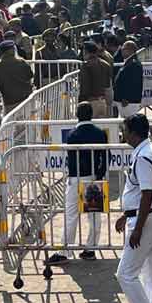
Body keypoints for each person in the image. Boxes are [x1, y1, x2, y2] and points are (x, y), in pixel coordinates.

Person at [115, 114, 152, 303]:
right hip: (150, 215)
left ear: (134, 133)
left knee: (125, 274)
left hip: (145, 218)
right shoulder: (149, 151)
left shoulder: (144, 156)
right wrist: (127, 214)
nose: (122, 134)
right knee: (151, 273)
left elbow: (146, 194)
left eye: (125, 130)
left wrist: (137, 228)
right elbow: (141, 193)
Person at [47, 102, 109, 265]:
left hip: (76, 179)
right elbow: (105, 157)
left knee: (71, 215)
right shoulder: (100, 134)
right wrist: (99, 175)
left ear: (77, 114)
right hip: (94, 178)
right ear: (91, 114)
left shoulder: (72, 135)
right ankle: (91, 248)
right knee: (94, 215)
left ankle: (65, 251)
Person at [0, 41, 34, 116]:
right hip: (27, 99)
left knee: (11, 125)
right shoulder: (22, 62)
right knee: (28, 123)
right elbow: (30, 75)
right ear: (13, 50)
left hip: (10, 102)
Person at [78, 42, 112, 119]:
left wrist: (81, 101)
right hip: (103, 101)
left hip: (90, 102)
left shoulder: (86, 65)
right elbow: (107, 84)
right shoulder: (106, 64)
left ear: (85, 51)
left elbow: (85, 87)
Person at [113, 41, 143, 118]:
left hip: (129, 102)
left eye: (123, 49)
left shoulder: (134, 64)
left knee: (130, 124)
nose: (121, 51)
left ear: (130, 50)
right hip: (125, 102)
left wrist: (126, 98)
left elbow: (133, 83)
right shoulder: (129, 62)